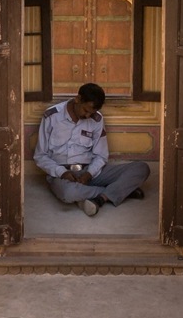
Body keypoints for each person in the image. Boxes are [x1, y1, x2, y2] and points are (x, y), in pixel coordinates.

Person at [33, 82, 149, 217]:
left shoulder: (97, 119)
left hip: (90, 172)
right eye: (86, 110)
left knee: (141, 168)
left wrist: (89, 174)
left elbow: (101, 155)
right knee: (69, 193)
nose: (88, 116)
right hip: (62, 174)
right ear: (78, 99)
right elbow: (40, 156)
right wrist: (61, 172)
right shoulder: (51, 116)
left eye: (91, 113)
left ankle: (100, 196)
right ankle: (118, 192)